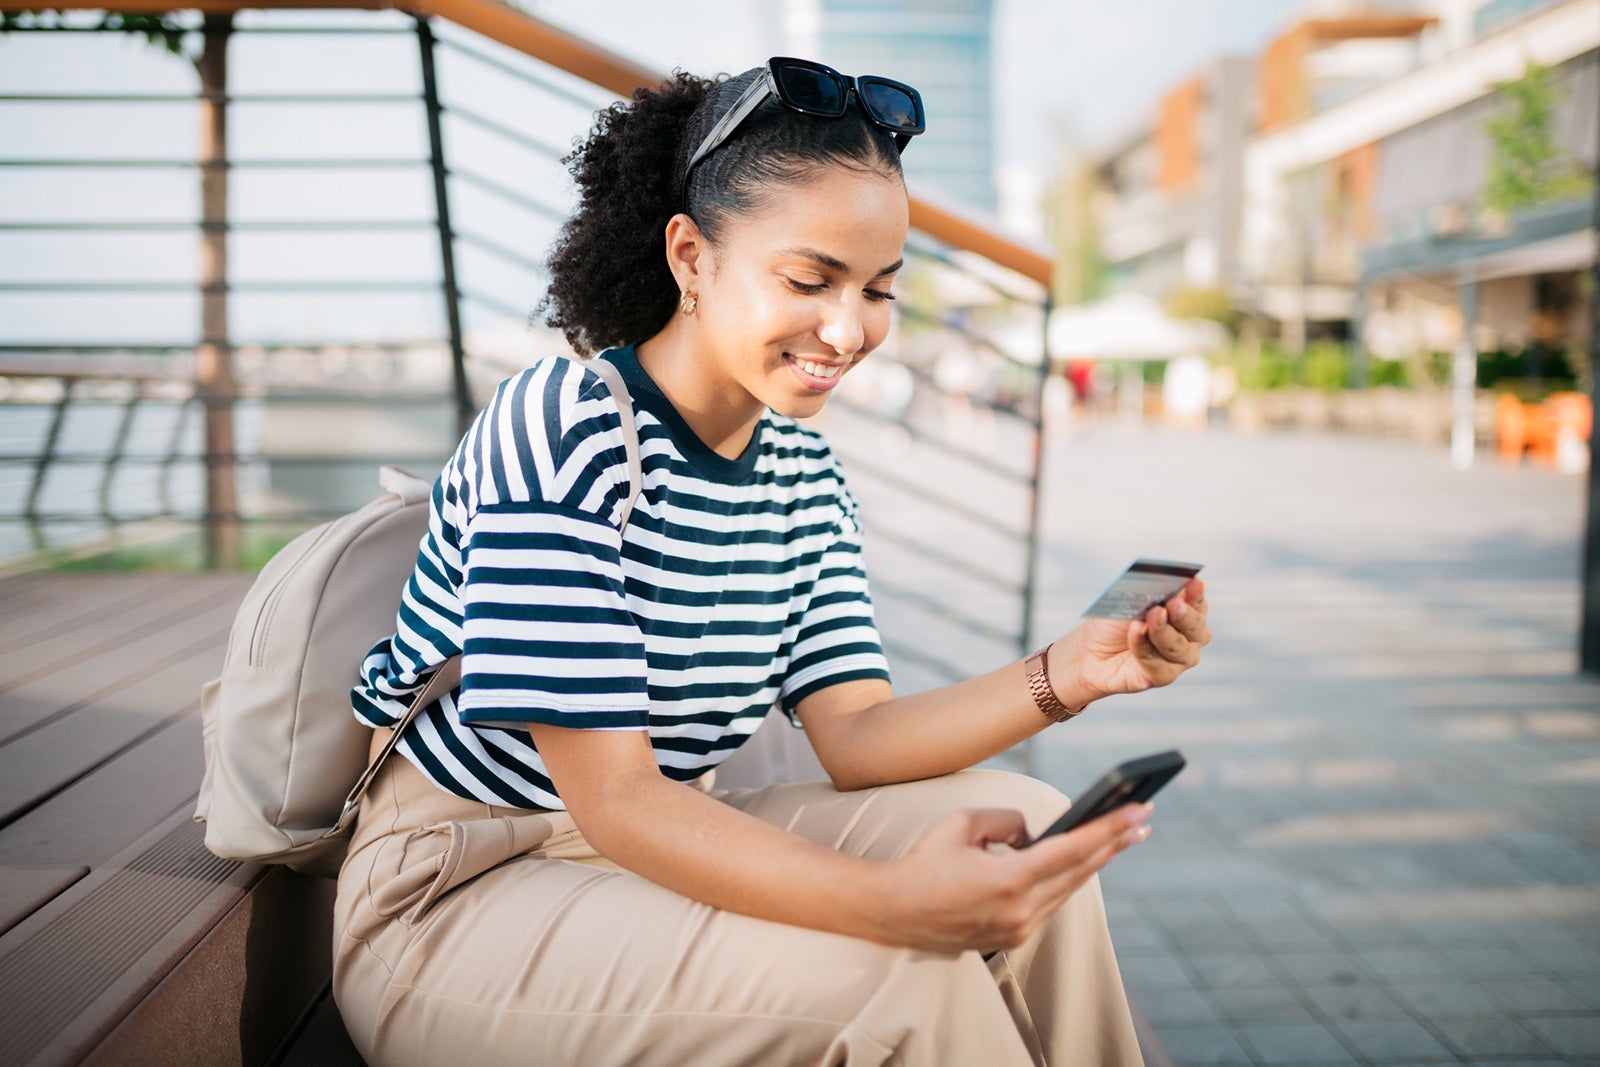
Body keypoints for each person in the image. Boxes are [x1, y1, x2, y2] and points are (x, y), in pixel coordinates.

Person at [335, 58, 1210, 1067]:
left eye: (879, 289)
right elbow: (613, 799)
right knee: (892, 977)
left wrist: (1073, 670)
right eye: (809, 280)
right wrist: (890, 904)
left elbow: (857, 735)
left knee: (1030, 821)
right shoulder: (564, 426)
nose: (848, 329)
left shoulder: (800, 468)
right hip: (462, 886)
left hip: (655, 845)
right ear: (691, 258)